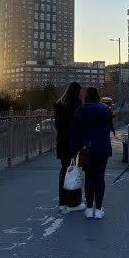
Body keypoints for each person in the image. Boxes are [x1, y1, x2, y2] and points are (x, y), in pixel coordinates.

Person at [71, 86, 113, 219]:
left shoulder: (82, 110)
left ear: (87, 96)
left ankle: (89, 209)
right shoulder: (105, 109)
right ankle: (99, 210)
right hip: (103, 147)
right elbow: (109, 127)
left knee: (89, 177)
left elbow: (76, 131)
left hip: (86, 148)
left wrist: (74, 150)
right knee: (100, 176)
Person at [54, 81, 85, 212]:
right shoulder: (77, 104)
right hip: (73, 142)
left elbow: (58, 126)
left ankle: (62, 202)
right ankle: (73, 202)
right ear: (77, 91)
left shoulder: (59, 104)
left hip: (62, 141)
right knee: (74, 171)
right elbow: (79, 125)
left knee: (64, 171)